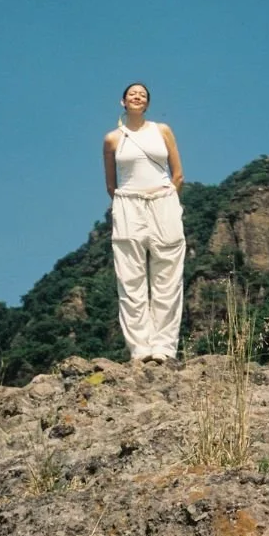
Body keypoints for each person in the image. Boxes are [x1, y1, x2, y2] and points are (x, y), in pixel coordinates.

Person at [103, 83, 186, 363]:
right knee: (130, 278)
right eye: (131, 94)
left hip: (163, 200)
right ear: (122, 102)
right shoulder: (112, 139)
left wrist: (167, 199)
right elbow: (111, 185)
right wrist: (129, 202)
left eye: (143, 95)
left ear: (147, 104)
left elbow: (178, 175)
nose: (137, 97)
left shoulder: (162, 130)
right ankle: (140, 349)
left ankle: (164, 347)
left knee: (168, 276)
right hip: (128, 204)